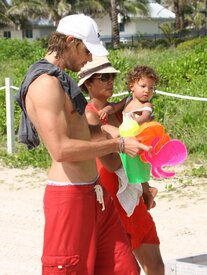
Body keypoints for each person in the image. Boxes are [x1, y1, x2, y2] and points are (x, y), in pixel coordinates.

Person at [16, 14, 151, 275]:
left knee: (125, 270)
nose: (89, 59)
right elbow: (62, 149)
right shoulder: (45, 83)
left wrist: (106, 129)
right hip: (69, 198)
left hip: (95, 194)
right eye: (87, 51)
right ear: (70, 42)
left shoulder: (61, 80)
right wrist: (118, 145)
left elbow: (78, 131)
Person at [78, 56, 164, 275]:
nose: (110, 82)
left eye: (112, 77)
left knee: (155, 265)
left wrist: (144, 185)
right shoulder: (89, 115)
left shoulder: (120, 111)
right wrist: (117, 137)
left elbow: (140, 145)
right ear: (88, 83)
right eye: (103, 77)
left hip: (132, 192)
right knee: (124, 268)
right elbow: (112, 162)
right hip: (109, 197)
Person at [98, 65, 160, 211]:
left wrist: (131, 124)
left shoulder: (147, 105)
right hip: (128, 140)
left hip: (139, 141)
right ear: (131, 85)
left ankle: (148, 190)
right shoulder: (127, 101)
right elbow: (114, 107)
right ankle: (145, 192)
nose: (147, 90)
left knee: (139, 169)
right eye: (143, 86)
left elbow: (145, 117)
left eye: (151, 88)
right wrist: (107, 109)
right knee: (131, 169)